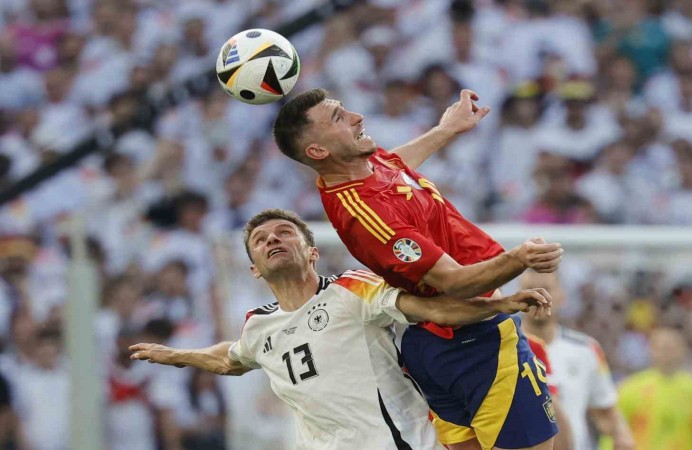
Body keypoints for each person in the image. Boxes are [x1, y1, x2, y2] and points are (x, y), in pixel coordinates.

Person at [271, 88, 563, 450]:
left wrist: (446, 129)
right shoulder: (370, 218)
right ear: (318, 151)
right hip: (476, 344)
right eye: (338, 118)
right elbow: (454, 282)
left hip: (430, 342)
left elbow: (394, 165)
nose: (357, 117)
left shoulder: (359, 167)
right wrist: (519, 259)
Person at [131, 209, 553, 450]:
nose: (272, 240)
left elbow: (431, 310)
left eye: (284, 233)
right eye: (260, 240)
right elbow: (231, 358)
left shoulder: (351, 289)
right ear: (254, 269)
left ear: (312, 252)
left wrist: (496, 305)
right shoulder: (259, 326)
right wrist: (177, 356)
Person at [520, 270, 634, 450]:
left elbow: (605, 412)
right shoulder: (500, 348)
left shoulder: (586, 349)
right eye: (529, 289)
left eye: (546, 289)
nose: (537, 297)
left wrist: (622, 436)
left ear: (561, 296)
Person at [614, 327, 692, 450]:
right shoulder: (629, 390)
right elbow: (614, 432)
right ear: (650, 350)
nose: (666, 354)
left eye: (671, 348)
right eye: (661, 348)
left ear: (683, 351)